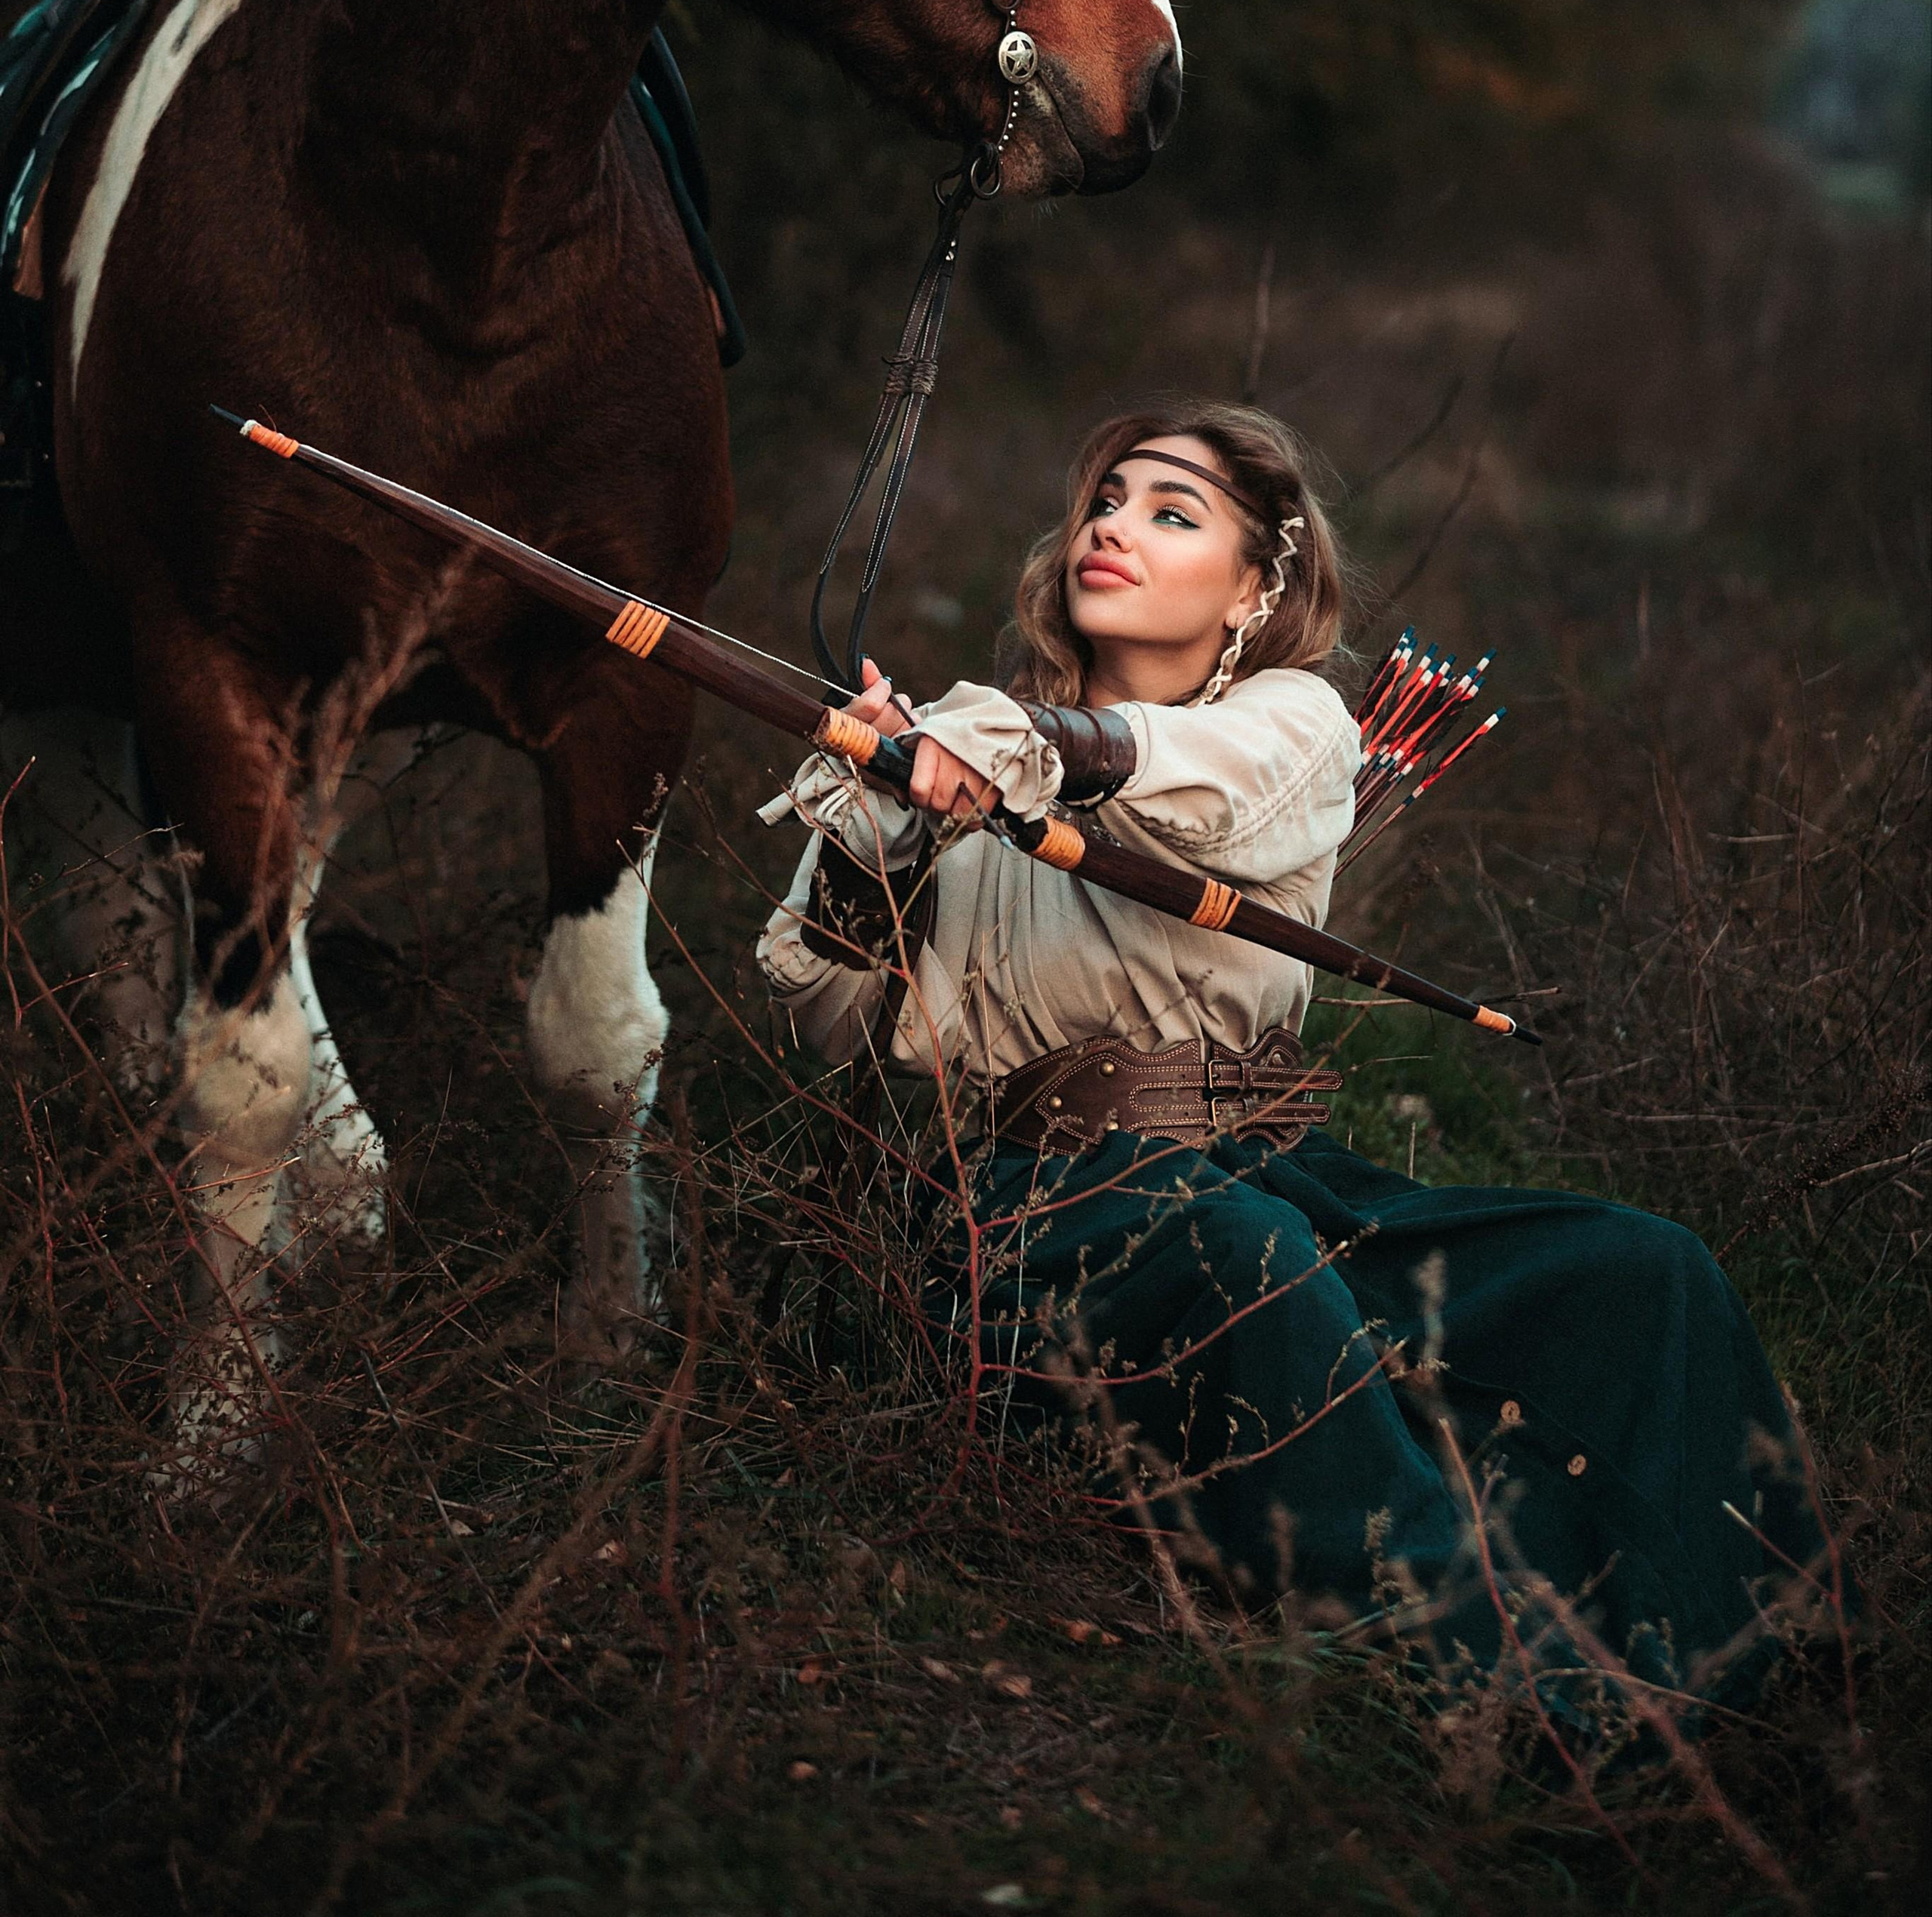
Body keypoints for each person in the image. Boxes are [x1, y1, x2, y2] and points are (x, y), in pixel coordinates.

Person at [754, 402, 1836, 1716]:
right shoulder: (963, 762)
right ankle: (1518, 1704)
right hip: (1047, 1215)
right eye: (1107, 500)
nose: (1114, 525)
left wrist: (1024, 750)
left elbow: (1190, 777)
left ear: (1257, 590)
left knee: (1639, 1273)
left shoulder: (1289, 732)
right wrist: (884, 820)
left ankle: (1737, 1659)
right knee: (1254, 1269)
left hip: (1275, 1178)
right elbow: (838, 1025)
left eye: (1172, 511)